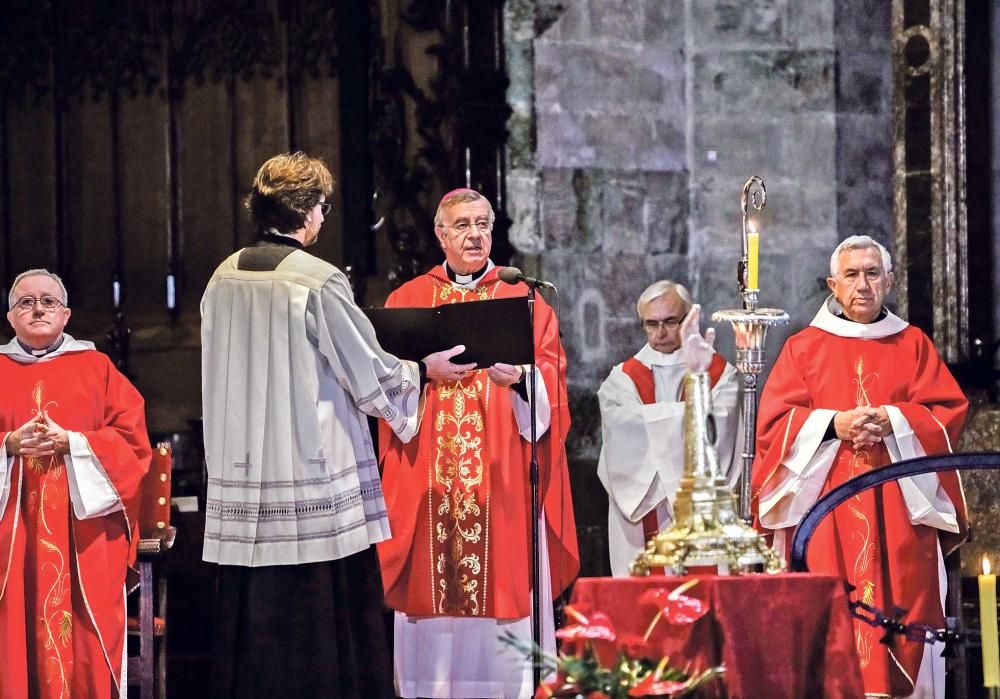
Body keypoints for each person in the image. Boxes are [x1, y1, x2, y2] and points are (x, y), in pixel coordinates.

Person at [200, 153, 469, 699]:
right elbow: (366, 373)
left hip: (242, 475)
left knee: (253, 619)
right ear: (309, 211)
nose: (324, 218)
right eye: (323, 208)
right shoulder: (316, 280)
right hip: (312, 474)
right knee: (323, 625)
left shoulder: (222, 276)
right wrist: (422, 371)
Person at [376, 188, 579, 699]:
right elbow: (379, 388)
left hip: (502, 480)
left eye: (483, 224)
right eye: (462, 225)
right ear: (440, 235)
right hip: (427, 484)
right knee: (429, 598)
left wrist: (523, 381)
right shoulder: (408, 300)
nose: (474, 235)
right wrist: (423, 374)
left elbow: (552, 380)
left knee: (504, 594)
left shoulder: (523, 299)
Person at [753, 235, 968, 699]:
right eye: (851, 275)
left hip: (898, 503)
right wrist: (834, 424)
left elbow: (947, 412)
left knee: (905, 598)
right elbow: (773, 425)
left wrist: (893, 419)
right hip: (825, 505)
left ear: (889, 281)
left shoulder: (912, 344)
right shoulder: (803, 348)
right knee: (831, 610)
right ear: (833, 283)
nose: (863, 284)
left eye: (873, 273)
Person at [0, 268, 151, 698]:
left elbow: (133, 443)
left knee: (85, 640)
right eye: (25, 302)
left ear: (66, 315)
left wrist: (75, 443)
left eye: (48, 301)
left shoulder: (97, 368)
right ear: (10, 317)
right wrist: (8, 445)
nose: (37, 309)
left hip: (82, 537)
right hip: (12, 538)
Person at [597, 281, 741, 576]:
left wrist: (653, 421)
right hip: (647, 507)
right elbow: (621, 432)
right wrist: (688, 417)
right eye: (651, 324)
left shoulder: (719, 373)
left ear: (688, 318)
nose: (660, 333)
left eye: (669, 322)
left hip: (701, 513)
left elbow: (721, 428)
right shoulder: (621, 379)